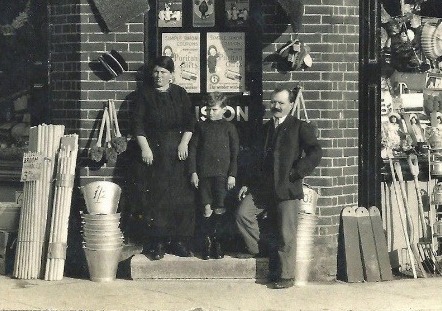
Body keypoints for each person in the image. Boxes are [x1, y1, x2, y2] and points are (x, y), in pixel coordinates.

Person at [234, 87, 323, 289]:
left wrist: (296, 173)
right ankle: (263, 249)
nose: (276, 106)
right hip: (263, 188)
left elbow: (315, 153)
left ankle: (286, 276)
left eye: (281, 103)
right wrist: (248, 183)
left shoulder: (299, 127)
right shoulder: (266, 129)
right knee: (243, 214)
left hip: (287, 188)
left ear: (291, 105)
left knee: (286, 233)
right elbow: (256, 160)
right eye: (273, 102)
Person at [133, 56, 196, 260]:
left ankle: (179, 241)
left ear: (171, 75)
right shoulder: (144, 95)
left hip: (178, 153)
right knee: (158, 197)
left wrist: (184, 143)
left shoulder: (180, 94)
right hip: (155, 153)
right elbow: (138, 125)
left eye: (163, 72)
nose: (159, 76)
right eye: (156, 72)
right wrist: (145, 148)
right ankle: (158, 243)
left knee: (180, 197)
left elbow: (190, 123)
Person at [188, 92, 239, 260]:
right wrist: (193, 172)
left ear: (224, 110)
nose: (211, 113)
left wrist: (232, 174)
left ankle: (218, 243)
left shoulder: (229, 128)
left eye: (215, 109)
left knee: (220, 207)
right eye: (208, 109)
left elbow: (235, 153)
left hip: (222, 176)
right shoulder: (201, 127)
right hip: (204, 175)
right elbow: (193, 150)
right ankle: (207, 243)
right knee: (206, 208)